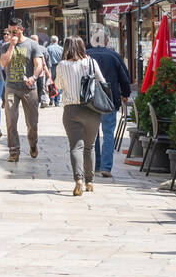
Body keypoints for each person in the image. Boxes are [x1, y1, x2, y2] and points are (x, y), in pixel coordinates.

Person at [55, 36, 108, 196]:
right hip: (92, 109)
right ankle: (89, 181)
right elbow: (102, 81)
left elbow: (58, 85)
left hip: (71, 110)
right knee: (89, 146)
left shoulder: (62, 65)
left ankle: (78, 179)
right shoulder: (91, 62)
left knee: (75, 146)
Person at [87, 26, 132, 178]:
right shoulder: (114, 56)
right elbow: (125, 78)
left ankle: (97, 165)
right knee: (108, 133)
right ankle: (106, 167)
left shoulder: (86, 55)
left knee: (93, 133)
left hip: (91, 100)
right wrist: (125, 94)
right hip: (110, 100)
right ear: (107, 41)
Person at [0, 22, 40, 162]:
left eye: (14, 32)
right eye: (9, 32)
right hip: (11, 88)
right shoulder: (5, 46)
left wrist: (33, 77)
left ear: (21, 30)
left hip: (29, 89)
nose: (11, 35)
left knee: (32, 123)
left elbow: (39, 65)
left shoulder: (32, 45)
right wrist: (11, 45)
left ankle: (33, 143)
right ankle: (14, 151)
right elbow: (3, 63)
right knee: (11, 120)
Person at [46, 35, 64, 106]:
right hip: (59, 66)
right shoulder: (61, 48)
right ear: (57, 41)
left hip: (51, 67)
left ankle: (51, 99)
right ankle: (57, 101)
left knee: (51, 83)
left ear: (51, 41)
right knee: (59, 84)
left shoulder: (48, 48)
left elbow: (46, 58)